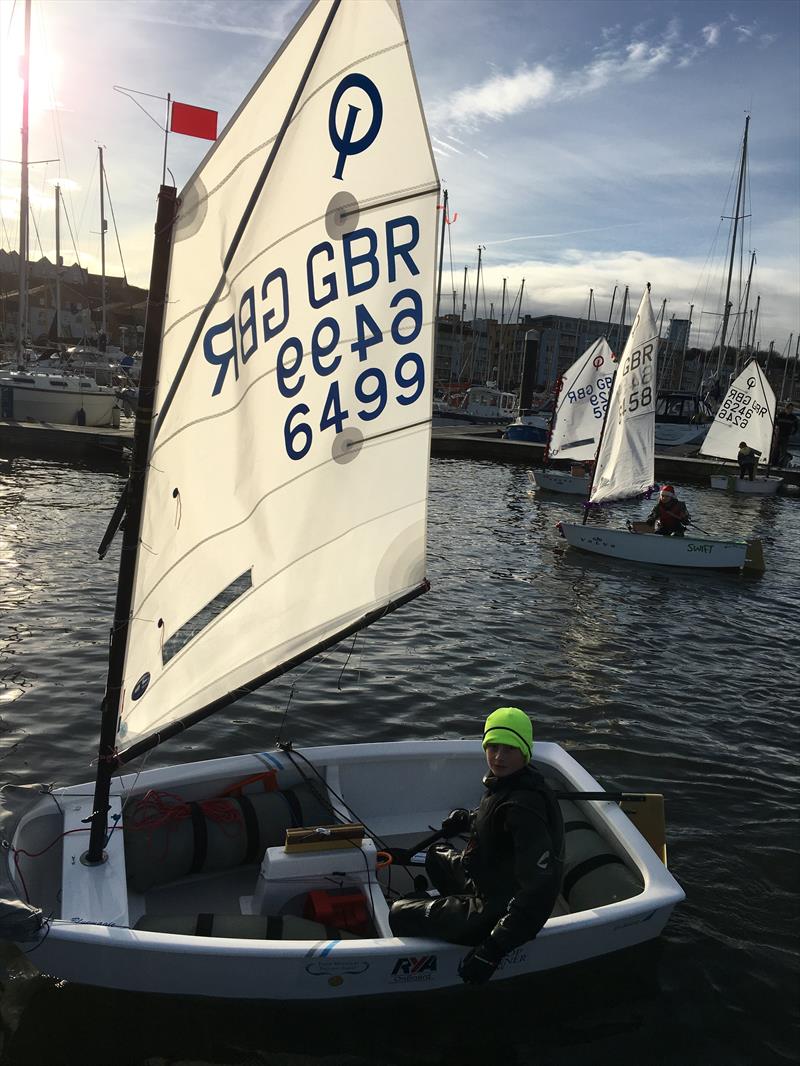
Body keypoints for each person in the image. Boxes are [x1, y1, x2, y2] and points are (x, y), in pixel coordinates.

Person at [388, 707, 564, 985]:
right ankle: (450, 912)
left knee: (398, 913)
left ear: (525, 751)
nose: (498, 756)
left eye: (509, 749)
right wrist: (468, 819)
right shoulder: (508, 784)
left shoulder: (524, 807)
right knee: (436, 856)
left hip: (498, 910)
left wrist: (492, 951)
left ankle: (457, 919)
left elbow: (540, 890)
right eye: (492, 746)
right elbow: (495, 823)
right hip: (486, 879)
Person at [771, 403, 798, 467]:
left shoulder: (793, 418)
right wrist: (774, 433)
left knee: (783, 452)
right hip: (777, 435)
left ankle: (780, 465)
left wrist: (792, 433)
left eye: (792, 409)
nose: (790, 410)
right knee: (775, 450)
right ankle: (772, 463)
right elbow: (774, 423)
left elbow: (796, 427)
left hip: (786, 436)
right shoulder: (780, 415)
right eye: (789, 408)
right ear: (786, 408)